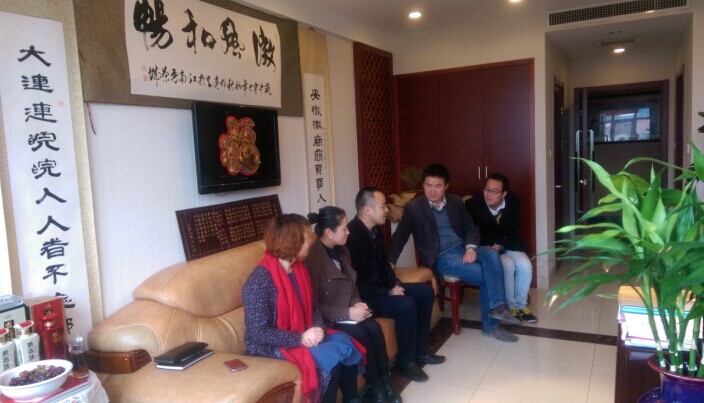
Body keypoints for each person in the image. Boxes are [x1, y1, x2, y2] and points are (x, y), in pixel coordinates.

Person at [387, 163, 521, 342]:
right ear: (423, 185)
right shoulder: (414, 208)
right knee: (487, 274)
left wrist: (471, 248)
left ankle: (498, 307)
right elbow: (399, 237)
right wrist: (389, 263)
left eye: (437, 186)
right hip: (442, 256)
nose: (432, 190)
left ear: (446, 186)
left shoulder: (455, 201)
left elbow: (470, 228)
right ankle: (492, 326)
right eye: (428, 185)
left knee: (491, 253)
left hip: (463, 248)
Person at [242, 214, 364, 403]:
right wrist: (300, 338)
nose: (311, 242)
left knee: (345, 346)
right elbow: (258, 333)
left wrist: (318, 330)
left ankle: (353, 399)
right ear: (293, 241)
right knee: (331, 361)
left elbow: (313, 308)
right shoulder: (259, 280)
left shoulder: (299, 269)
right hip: (270, 347)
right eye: (307, 237)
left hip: (303, 333)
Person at [347, 187, 445, 383]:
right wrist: (388, 291)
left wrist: (395, 283)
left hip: (382, 289)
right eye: (383, 206)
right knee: (406, 304)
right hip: (366, 297)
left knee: (425, 291)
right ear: (367, 209)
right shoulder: (352, 236)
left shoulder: (374, 229)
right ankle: (405, 362)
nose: (386, 210)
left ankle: (420, 352)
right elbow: (358, 281)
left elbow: (384, 263)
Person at [306, 206, 402, 403]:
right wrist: (347, 313)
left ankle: (385, 379)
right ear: (329, 232)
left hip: (348, 311)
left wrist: (358, 304)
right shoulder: (313, 257)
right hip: (329, 318)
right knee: (360, 332)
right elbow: (314, 305)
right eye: (344, 228)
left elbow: (352, 283)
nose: (348, 232)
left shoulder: (342, 250)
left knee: (373, 327)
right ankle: (374, 383)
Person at [466, 173, 538, 323]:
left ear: (504, 194)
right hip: (489, 246)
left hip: (509, 242)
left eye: (495, 191)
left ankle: (520, 307)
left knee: (525, 265)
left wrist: (501, 244)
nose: (489, 194)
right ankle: (511, 307)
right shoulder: (473, 205)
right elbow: (475, 232)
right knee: (508, 266)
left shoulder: (513, 201)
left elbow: (513, 229)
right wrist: (494, 247)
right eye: (486, 189)